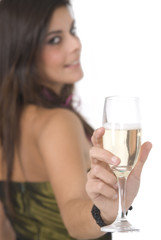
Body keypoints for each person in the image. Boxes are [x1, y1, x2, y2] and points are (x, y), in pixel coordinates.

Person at [0, 0, 152, 239]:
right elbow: (73, 215)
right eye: (54, 39)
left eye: (72, 31)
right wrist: (106, 212)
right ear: (22, 50)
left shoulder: (9, 121)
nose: (76, 44)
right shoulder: (57, 121)